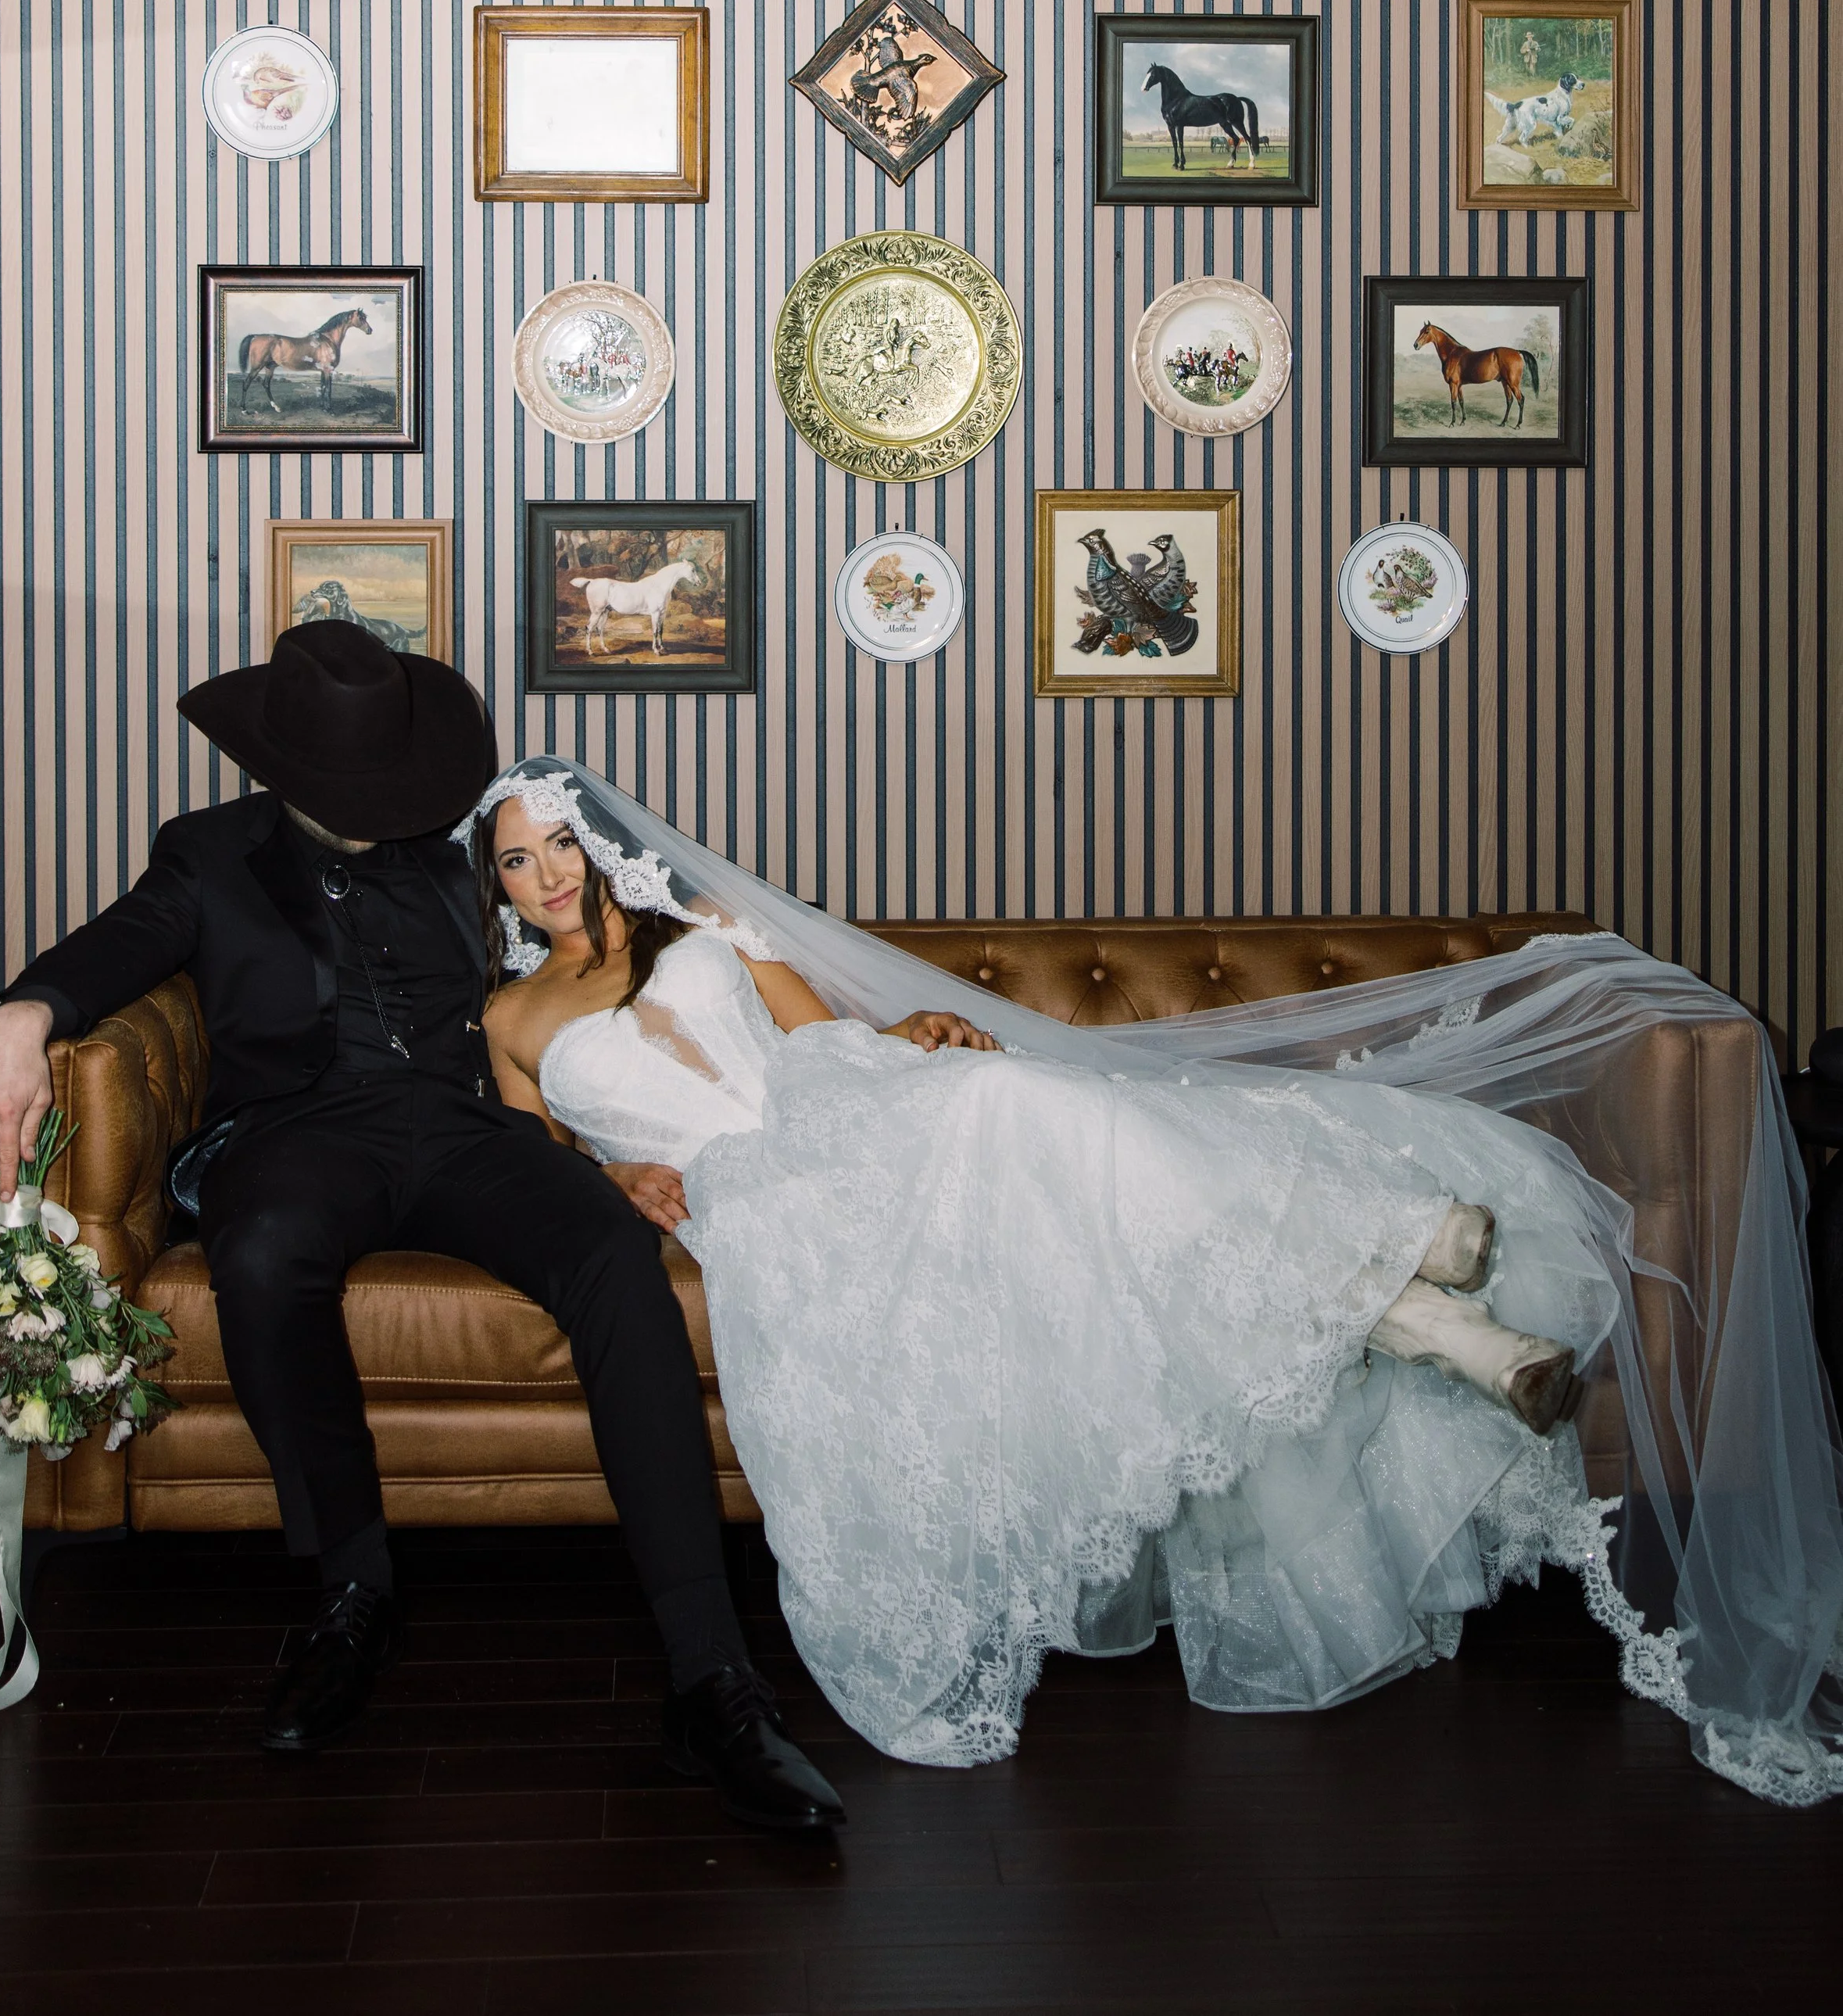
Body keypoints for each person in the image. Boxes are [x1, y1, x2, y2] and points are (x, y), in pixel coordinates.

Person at [461, 754, 1843, 1805]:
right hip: (753, 1195)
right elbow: (526, 1163)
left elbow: (831, 1043)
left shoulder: (711, 934)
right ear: (498, 890)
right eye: (517, 864)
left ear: (600, 840)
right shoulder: (511, 1024)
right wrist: (608, 1180)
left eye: (560, 845)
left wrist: (921, 1029)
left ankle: (1423, 1305)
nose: (550, 875)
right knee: (1027, 1138)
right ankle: (1414, 1293)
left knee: (1015, 1108)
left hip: (846, 1111)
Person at [0, 625, 844, 1833]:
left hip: (469, 1131)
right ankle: (351, 1591)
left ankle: (711, 1678)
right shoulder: (207, 855)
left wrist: (623, 1148)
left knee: (612, 1255)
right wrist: (22, 1015)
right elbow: (122, 946)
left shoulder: (458, 847)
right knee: (263, 1249)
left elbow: (594, 954)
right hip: (299, 1135)